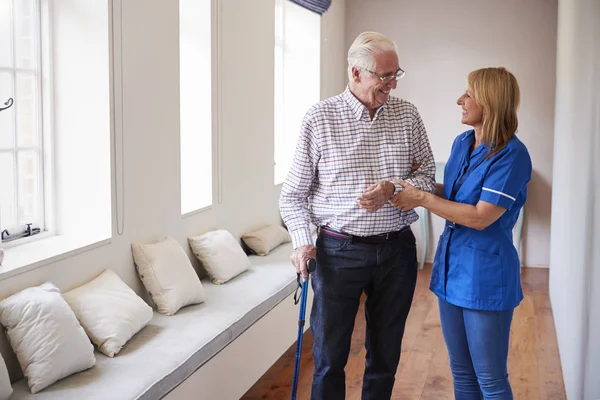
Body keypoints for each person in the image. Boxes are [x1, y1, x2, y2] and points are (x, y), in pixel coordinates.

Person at [279, 32, 436, 400]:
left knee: (385, 359)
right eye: (385, 76)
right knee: (330, 360)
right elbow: (293, 196)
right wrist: (302, 242)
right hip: (338, 253)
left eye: (397, 74)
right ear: (356, 72)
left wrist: (392, 188)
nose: (393, 83)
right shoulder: (320, 118)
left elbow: (427, 177)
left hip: (396, 253)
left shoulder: (407, 114)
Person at [391, 67, 532, 400]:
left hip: (485, 277)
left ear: (490, 101)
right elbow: (456, 195)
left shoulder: (512, 155)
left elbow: (482, 216)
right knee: (462, 374)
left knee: (491, 380)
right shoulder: (462, 142)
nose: (460, 100)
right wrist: (412, 187)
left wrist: (422, 198)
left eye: (468, 93)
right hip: (450, 270)